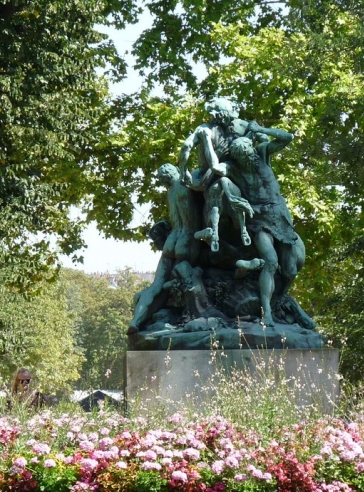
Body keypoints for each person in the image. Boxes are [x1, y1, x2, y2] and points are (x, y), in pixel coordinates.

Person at [206, 122, 311, 327]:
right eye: (240, 156)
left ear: (251, 150)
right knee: (271, 261)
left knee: (290, 270)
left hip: (279, 216)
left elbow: (287, 137)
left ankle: (278, 300)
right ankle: (268, 313)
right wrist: (205, 141)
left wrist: (262, 130)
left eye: (246, 153)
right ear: (236, 156)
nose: (245, 158)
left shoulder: (262, 153)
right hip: (259, 219)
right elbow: (215, 167)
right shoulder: (233, 168)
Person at [128, 163, 202, 333]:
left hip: (172, 239)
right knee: (185, 275)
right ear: (175, 170)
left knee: (156, 284)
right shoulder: (187, 181)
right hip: (188, 238)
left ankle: (136, 321)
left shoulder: (170, 193)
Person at [179, 98, 253, 252]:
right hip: (239, 177)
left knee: (190, 197)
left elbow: (186, 146)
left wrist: (183, 170)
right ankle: (245, 225)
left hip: (210, 179)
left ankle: (195, 230)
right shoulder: (242, 126)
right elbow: (264, 140)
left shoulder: (205, 129)